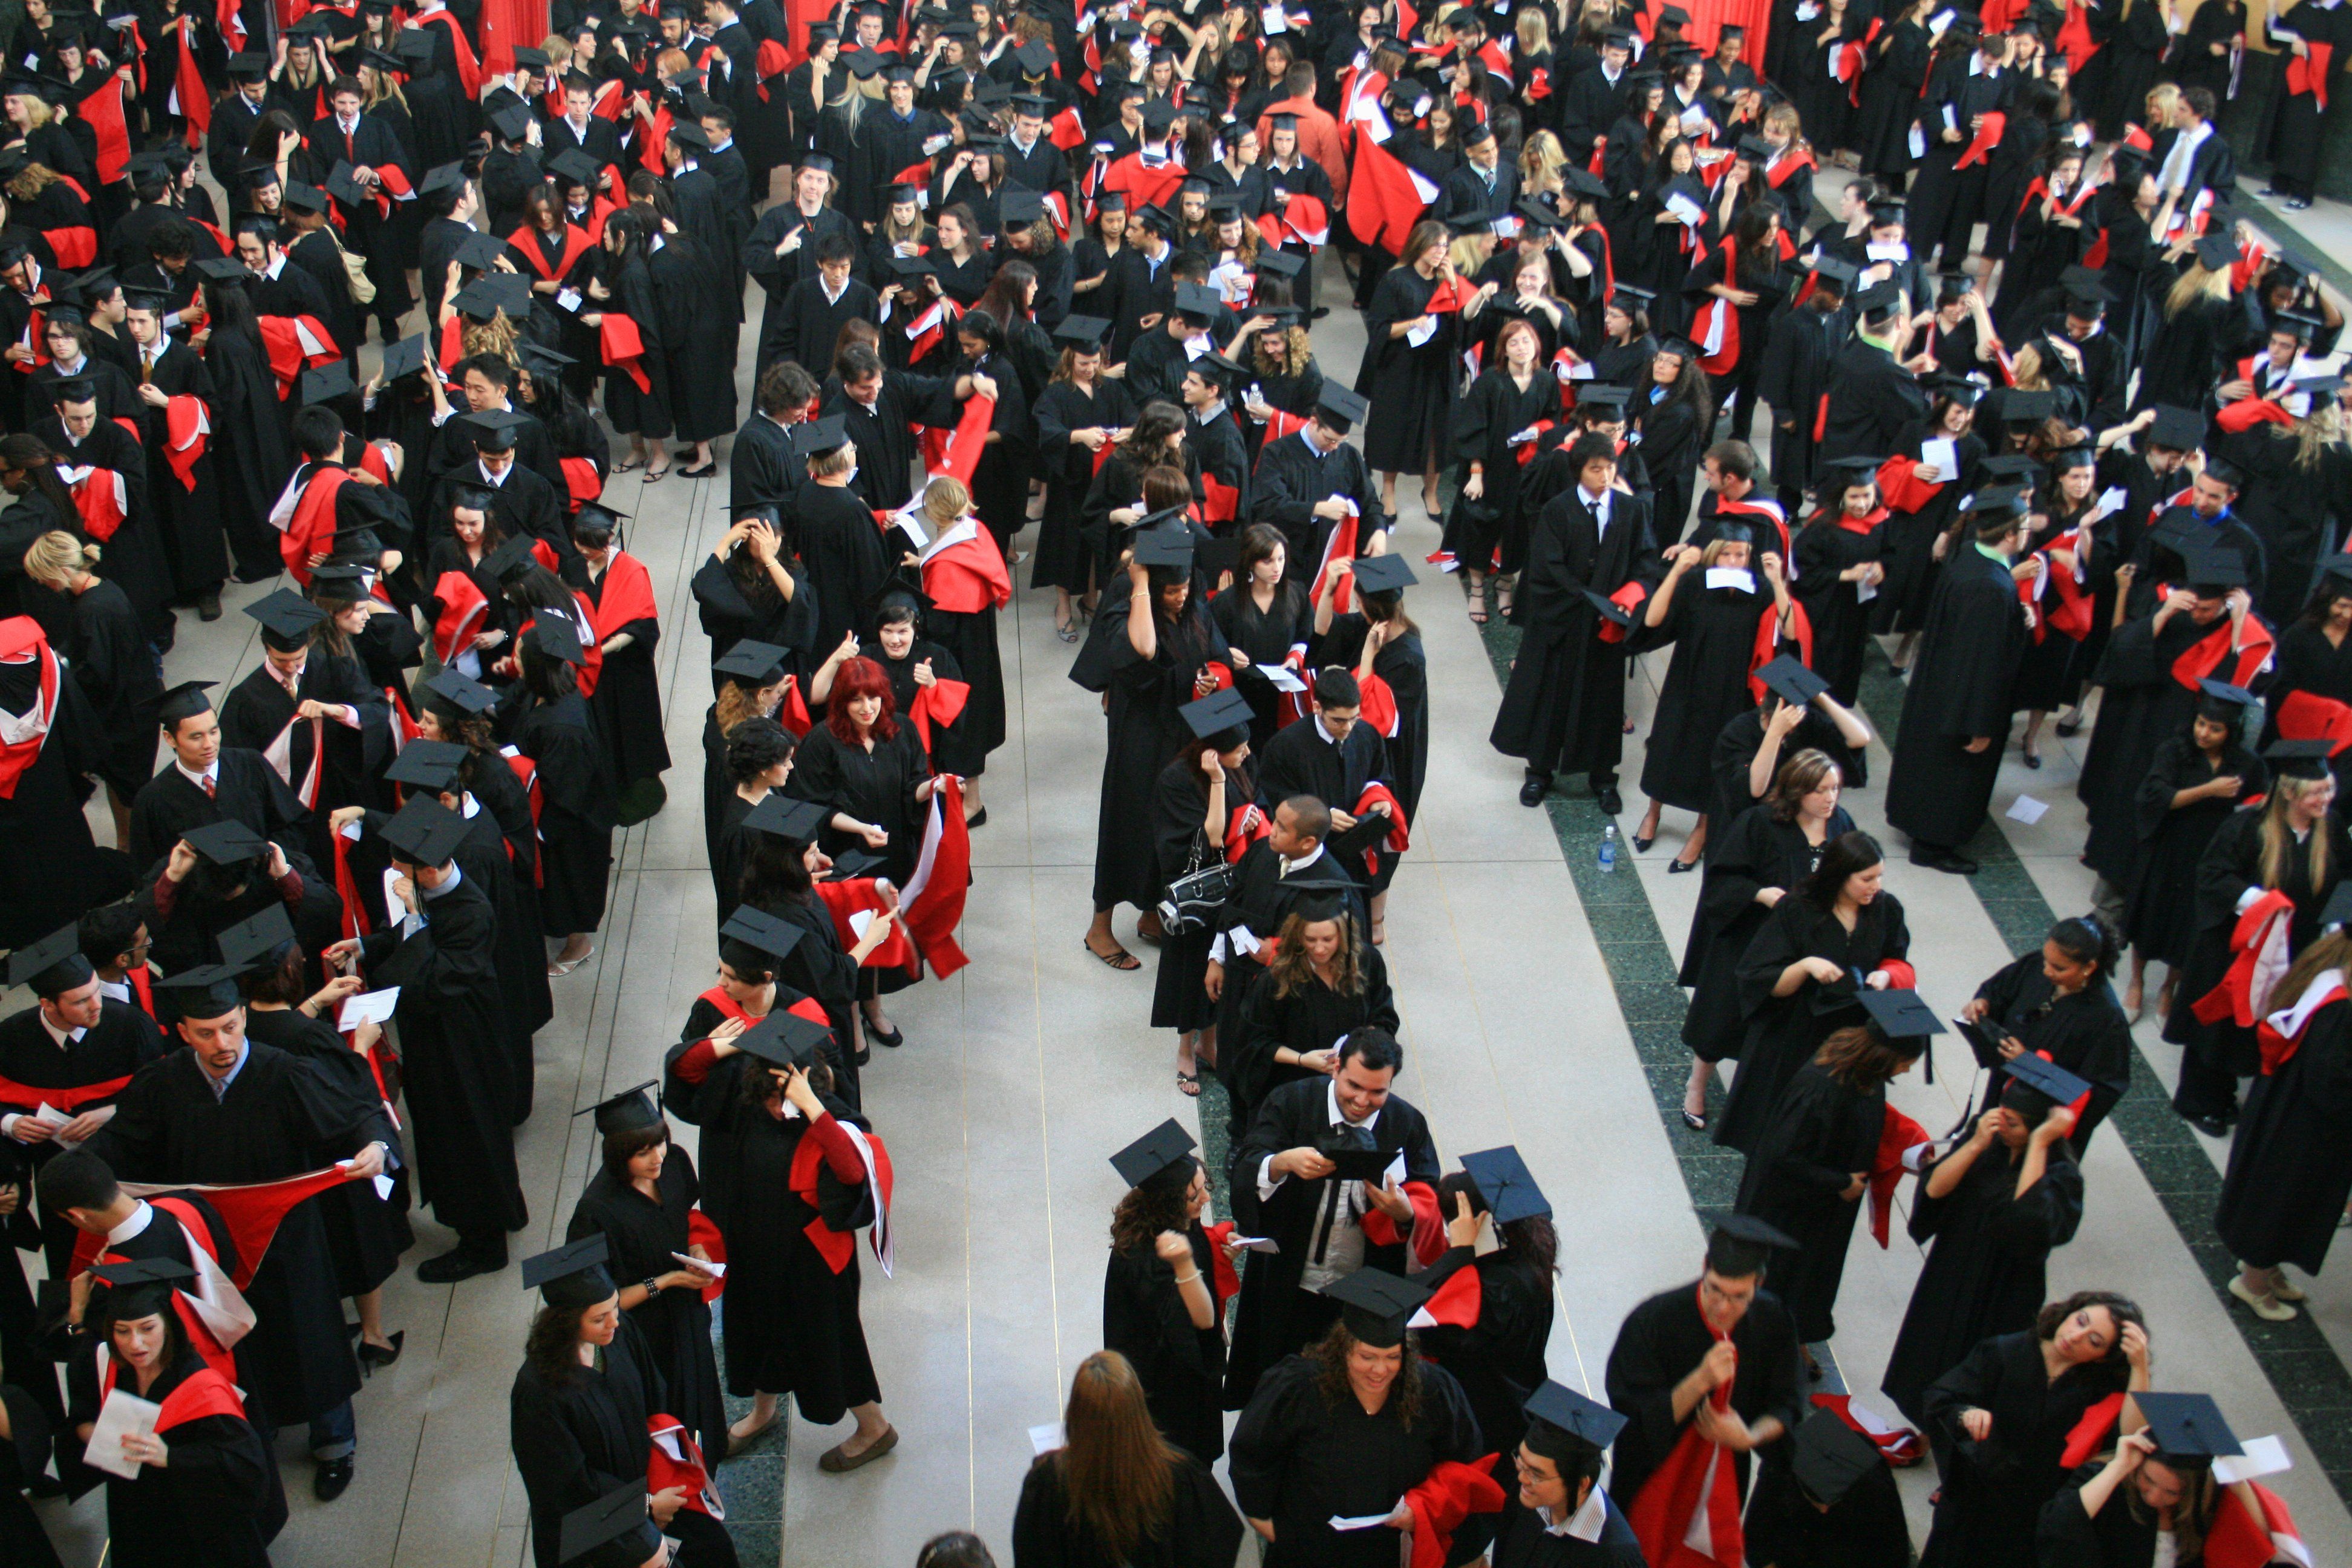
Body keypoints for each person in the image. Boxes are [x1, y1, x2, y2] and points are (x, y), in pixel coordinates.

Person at [82, 963, 391, 1501]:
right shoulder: (164, 1083)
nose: (222, 1043)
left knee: (310, 1335)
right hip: (207, 1244)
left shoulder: (285, 1074)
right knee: (239, 1340)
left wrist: (375, 1147)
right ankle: (257, 1426)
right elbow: (123, 1143)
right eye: (206, 1033)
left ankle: (334, 1442)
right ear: (182, 1033)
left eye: (230, 1026)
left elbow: (357, 1114)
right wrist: (83, 1176)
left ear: (244, 1016)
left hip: (287, 1238)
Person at [665, 1005, 895, 1472]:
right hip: (755, 1246)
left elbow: (852, 1172)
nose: (777, 1107)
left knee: (830, 1344)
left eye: (784, 1096)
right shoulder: (750, 1105)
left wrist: (811, 1106)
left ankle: (874, 1428)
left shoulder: (830, 1117)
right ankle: (763, 1413)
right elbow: (688, 1075)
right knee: (757, 1332)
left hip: (811, 1260)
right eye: (770, 1095)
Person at [324, 798, 528, 1287]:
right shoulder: (435, 898)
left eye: (401, 868)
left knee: (465, 1141)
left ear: (429, 872)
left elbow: (435, 981)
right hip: (439, 1041)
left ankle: (483, 1244)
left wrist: (414, 920)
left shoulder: (471, 912)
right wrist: (367, 946)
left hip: (463, 1050)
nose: (394, 874)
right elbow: (405, 943)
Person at [1224, 1027, 1441, 1408]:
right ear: (1336, 1067)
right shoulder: (1291, 1102)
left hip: (1361, 1291)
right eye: (1354, 1085)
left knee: (1342, 1399)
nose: (1362, 1101)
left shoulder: (1407, 1125)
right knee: (1276, 1386)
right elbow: (1248, 1164)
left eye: (1378, 1092)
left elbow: (1429, 1197)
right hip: (1290, 1277)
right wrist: (1281, 1163)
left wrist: (1404, 1213)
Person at [1881, 1055, 2094, 1425]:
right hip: (1954, 1263)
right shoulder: (1987, 1139)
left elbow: (2027, 1220)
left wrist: (2041, 1143)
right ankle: (1926, 1425)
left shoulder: (2062, 1175)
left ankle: (1959, 1433)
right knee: (1932, 1350)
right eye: (2001, 1114)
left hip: (2005, 1285)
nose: (2001, 1125)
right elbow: (1934, 1189)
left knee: (1981, 1369)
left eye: (2013, 1123)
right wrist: (1976, 1144)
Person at [508, 1236, 741, 1568]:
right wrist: (645, 1506)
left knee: (713, 1549)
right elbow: (564, 1488)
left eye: (615, 1308)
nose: (614, 1322)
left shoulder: (617, 1336)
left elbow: (653, 1400)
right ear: (566, 1323)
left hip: (650, 1484)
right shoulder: (539, 1393)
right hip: (595, 1522)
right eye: (599, 1318)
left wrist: (662, 1482)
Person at [1228, 1270, 1487, 1568]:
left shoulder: (1432, 1391)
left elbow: (1464, 1466)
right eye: (1367, 1357)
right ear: (1343, 1350)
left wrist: (1425, 1507)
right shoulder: (1299, 1387)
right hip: (1309, 1551)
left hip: (1389, 1552)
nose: (1380, 1370)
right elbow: (1254, 1455)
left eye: (1393, 1357)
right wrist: (1268, 1527)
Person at [2165, 742, 2347, 1135]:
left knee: (2262, 1023)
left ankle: (2229, 1094)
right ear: (2288, 792)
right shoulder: (2247, 827)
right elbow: (2213, 875)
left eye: (2329, 790)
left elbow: (2344, 881)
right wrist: (2259, 902)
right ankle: (2200, 1100)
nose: (2326, 798)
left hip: (2297, 949)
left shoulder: (2330, 829)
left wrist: (2336, 926)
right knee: (2222, 1026)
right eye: (2317, 792)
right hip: (2238, 947)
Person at [1603, 1217, 1805, 1568]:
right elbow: (1632, 1414)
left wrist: (1748, 1437)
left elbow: (1787, 1402)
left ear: (1759, 1284)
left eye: (1739, 1296)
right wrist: (1700, 1381)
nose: (1723, 1307)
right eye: (1714, 1290)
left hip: (1722, 1473)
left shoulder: (1771, 1319)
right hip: (1653, 1472)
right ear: (1704, 1270)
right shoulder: (1655, 1320)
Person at [1736, 1010, 1928, 1369]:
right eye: (1904, 1064)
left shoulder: (1865, 1074)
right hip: (1789, 1206)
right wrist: (1840, 1182)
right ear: (1884, 1056)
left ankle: (1793, 1339)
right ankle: (1762, 1351)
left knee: (1811, 1278)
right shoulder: (1821, 1087)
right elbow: (1783, 1154)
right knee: (1780, 1277)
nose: (1905, 1072)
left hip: (1824, 1207)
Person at [65, 1257, 284, 1566]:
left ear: (168, 1324)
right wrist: (92, 1432)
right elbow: (80, 1411)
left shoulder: (201, 1387)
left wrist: (172, 1457)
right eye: (122, 1331)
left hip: (197, 1517)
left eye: (147, 1328)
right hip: (135, 1510)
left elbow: (244, 1465)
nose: (135, 1344)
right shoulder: (110, 1364)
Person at [1491, 431, 1663, 814]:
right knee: (1551, 697)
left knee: (1601, 702)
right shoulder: (1558, 510)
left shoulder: (1632, 511)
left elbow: (1646, 562)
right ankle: (1539, 772)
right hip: (1562, 624)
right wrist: (1588, 600)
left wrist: (1627, 597)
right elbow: (1546, 567)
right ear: (1578, 471)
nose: (1604, 476)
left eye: (1610, 468)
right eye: (1595, 469)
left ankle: (1602, 778)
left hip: (1606, 627)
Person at [1916, 1292, 2151, 1567]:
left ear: (2102, 1357)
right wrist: (1965, 1414)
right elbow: (1940, 1398)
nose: (2076, 1336)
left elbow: (2131, 1435)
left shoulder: (2097, 1387)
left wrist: (2139, 1367)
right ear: (2070, 1312)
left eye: (2094, 1341)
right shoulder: (2005, 1352)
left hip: (2031, 1516)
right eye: (2080, 1321)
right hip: (1974, 1500)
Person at [1713, 831, 1912, 1155]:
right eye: (1867, 879)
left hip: (1852, 1035)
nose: (1876, 886)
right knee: (1780, 1129)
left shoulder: (1886, 909)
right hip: (1795, 1031)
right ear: (1839, 876)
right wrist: (1806, 965)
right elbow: (1760, 978)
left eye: (1879, 877)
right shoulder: (1797, 910)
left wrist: (1886, 975)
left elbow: (1897, 956)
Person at [564, 1082, 727, 1469]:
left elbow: (686, 1215)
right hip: (643, 1335)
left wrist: (697, 1246)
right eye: (643, 1153)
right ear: (619, 1157)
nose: (657, 1158)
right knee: (665, 1415)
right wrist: (665, 1282)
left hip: (687, 1317)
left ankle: (710, 1457)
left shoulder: (674, 1165)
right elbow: (594, 1300)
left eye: (660, 1144)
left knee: (703, 1397)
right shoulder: (596, 1212)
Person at [787, 653, 939, 1049]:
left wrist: (933, 790)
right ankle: (852, 1015)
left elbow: (914, 785)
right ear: (842, 702)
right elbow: (812, 803)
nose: (867, 708)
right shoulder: (823, 741)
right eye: (856, 700)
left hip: (892, 856)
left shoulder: (901, 731)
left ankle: (873, 1006)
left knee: (881, 932)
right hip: (845, 859)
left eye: (873, 698)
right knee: (848, 938)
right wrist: (859, 828)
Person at [0, 923, 166, 1276]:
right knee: (69, 1266)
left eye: (96, 992)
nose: (97, 1006)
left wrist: (112, 1112)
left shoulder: (130, 1026)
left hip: (126, 1169)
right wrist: (11, 1123)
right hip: (57, 1178)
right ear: (48, 1004)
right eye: (80, 1001)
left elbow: (164, 1091)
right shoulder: (12, 1039)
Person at [1630, 527, 1797, 869]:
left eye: (1741, 555)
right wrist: (1677, 571)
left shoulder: (1761, 589)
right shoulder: (1695, 583)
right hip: (1688, 680)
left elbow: (1791, 631)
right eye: (1726, 554)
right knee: (1668, 745)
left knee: (1717, 758)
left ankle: (1703, 830)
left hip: (1734, 689)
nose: (1734, 562)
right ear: (1713, 554)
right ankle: (1653, 813)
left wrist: (1778, 581)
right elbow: (1652, 619)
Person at [2214, 918, 2352, 1322]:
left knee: (2277, 1196)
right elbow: (2332, 1080)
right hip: (2306, 1128)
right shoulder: (2340, 1009)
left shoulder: (2326, 975)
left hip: (2286, 1109)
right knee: (2283, 1201)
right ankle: (2254, 1282)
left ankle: (2266, 1268)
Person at [1013, 1350, 1247, 1568]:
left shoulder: (1047, 1483)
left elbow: (1031, 1557)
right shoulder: (1180, 1476)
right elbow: (1219, 1544)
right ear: (1139, 1409)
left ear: (1075, 1413)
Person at [2121, 682, 2265, 1021]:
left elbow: (2259, 805)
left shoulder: (2245, 763)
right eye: (2201, 724)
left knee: (2190, 924)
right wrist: (2209, 790)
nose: (2204, 733)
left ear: (2231, 732)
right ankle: (2137, 981)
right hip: (2168, 846)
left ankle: (2170, 987)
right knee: (2151, 914)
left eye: (2215, 728)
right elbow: (2155, 798)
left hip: (2211, 854)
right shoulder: (2175, 751)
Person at [1417, 1148, 1558, 1467]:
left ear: (1476, 1221)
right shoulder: (1533, 1251)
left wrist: (1459, 1252)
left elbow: (1418, 1322)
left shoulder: (1490, 1291)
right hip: (1525, 1389)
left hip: (1484, 1408)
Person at [1102, 1121, 1229, 1464]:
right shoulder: (1150, 1258)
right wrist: (1186, 1264)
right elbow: (1202, 1320)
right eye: (1195, 1194)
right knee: (1177, 1459)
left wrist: (1216, 1249)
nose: (1206, 1197)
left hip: (1180, 1368)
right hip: (1165, 1381)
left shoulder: (1172, 1221)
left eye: (1205, 1186)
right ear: (1170, 1202)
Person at [1227, 900, 1399, 1141]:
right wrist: (1303, 1060)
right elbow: (1253, 1042)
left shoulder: (1366, 962)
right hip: (1290, 1082)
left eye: (1328, 940)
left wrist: (1358, 1049)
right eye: (1311, 940)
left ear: (1344, 934)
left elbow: (1383, 1016)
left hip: (1350, 1080)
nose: (1319, 949)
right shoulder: (1276, 979)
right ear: (1298, 937)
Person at [1152, 689, 1253, 1096]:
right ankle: (1185, 1051)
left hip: (1232, 886)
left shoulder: (1242, 764)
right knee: (1191, 971)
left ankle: (1210, 1043)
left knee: (1224, 967)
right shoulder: (1176, 781)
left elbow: (1249, 804)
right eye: (1239, 750)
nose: (1247, 754)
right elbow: (1210, 837)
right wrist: (1217, 781)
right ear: (1213, 753)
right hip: (1196, 891)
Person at [1964, 917, 2135, 1154]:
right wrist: (1984, 1002)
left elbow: (2103, 1089)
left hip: (2040, 1117)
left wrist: (2031, 1067)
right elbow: (2000, 989)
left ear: (2090, 967)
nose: (2046, 971)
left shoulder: (2106, 1019)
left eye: (2059, 968)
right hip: (2003, 1091)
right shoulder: (2037, 967)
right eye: (2047, 961)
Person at [515, 620, 619, 977]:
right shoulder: (551, 693)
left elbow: (568, 789)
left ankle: (578, 944)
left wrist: (542, 833)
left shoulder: (562, 726)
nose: (513, 658)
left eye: (518, 653)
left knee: (570, 884)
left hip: (571, 822)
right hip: (561, 807)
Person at [1489, 1381, 1646, 1568]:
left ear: (1580, 1485)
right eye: (1521, 1462)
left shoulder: (1615, 1559)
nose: (1522, 1478)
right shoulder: (1528, 1495)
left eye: (1536, 1474)